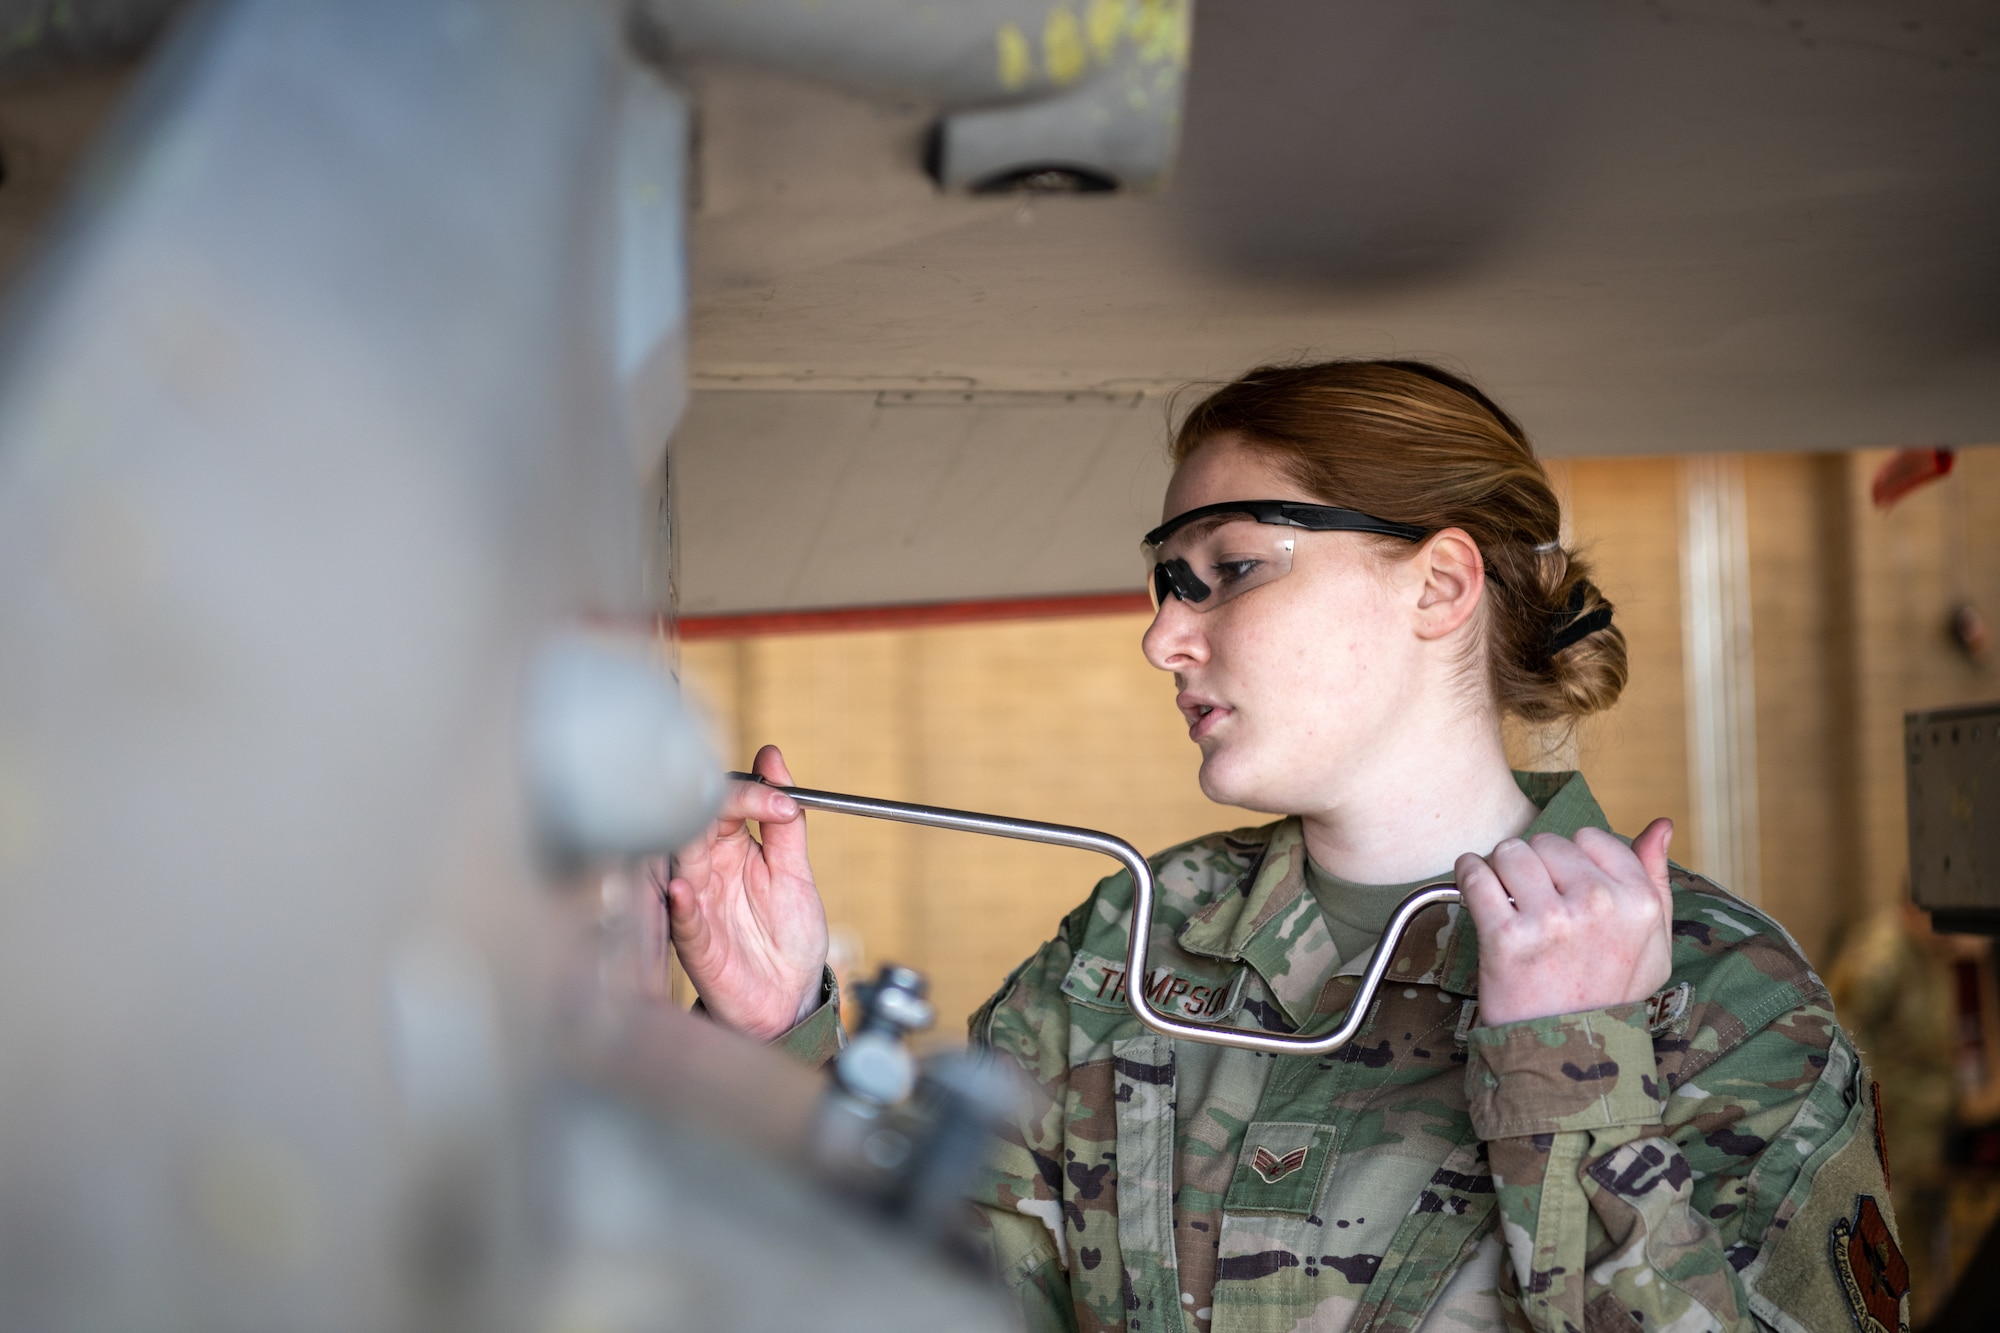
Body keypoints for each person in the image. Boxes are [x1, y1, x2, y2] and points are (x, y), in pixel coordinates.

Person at [662, 360, 1905, 1333]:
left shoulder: (1715, 992)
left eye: (1228, 570)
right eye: (1164, 582)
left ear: (1436, 586)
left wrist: (1567, 1075)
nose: (1162, 639)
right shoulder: (1137, 947)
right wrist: (775, 1042)